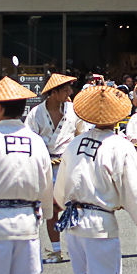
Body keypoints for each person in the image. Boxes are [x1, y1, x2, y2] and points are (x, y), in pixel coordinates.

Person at [54, 84, 137, 274]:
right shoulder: (120, 145)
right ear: (118, 115)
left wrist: (61, 204)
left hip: (74, 222)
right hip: (100, 225)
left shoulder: (75, 143)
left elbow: (61, 189)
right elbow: (135, 189)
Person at [0, 77, 54, 274]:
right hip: (28, 224)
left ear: (0, 108)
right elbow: (46, 185)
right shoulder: (37, 142)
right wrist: (46, 212)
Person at [25, 73, 83, 264]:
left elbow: (81, 134)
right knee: (50, 209)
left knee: (75, 205)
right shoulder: (36, 113)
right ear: (54, 92)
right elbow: (31, 139)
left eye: (70, 89)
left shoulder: (73, 110)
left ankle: (80, 250)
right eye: (65, 90)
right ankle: (56, 250)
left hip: (68, 163)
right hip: (46, 164)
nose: (69, 93)